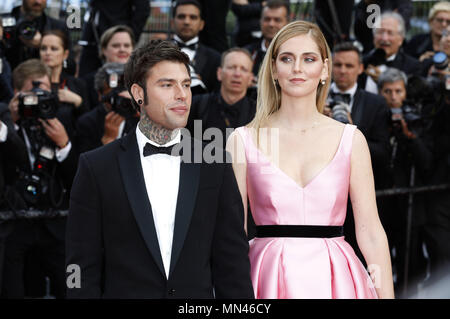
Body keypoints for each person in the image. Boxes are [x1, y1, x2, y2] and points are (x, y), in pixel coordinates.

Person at [66, 40, 254, 298]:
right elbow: (79, 266)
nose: (182, 95)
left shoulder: (215, 162)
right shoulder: (96, 167)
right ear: (138, 93)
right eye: (167, 85)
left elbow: (232, 263)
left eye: (186, 84)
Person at [227, 20, 394, 299]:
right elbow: (233, 234)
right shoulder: (242, 141)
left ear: (324, 69)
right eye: (287, 58)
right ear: (273, 69)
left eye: (309, 59)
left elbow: (371, 232)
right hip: (265, 276)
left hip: (337, 278)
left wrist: (386, 296)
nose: (297, 68)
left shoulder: (351, 140)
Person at [1, 59, 78, 298]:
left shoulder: (62, 119)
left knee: (69, 289)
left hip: (54, 222)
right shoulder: (4, 123)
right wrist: (11, 123)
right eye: (30, 94)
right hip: (14, 222)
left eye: (43, 92)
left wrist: (63, 144)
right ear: (16, 94)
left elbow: (77, 179)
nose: (37, 99)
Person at [328, 42, 391, 264]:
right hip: (324, 200)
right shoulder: (313, 100)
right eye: (338, 65)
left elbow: (384, 153)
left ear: (360, 68)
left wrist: (353, 134)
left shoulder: (376, 103)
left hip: (359, 203)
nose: (343, 70)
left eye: (349, 65)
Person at [378, 67, 433, 296]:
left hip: (409, 204)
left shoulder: (417, 119)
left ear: (405, 93)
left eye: (398, 91)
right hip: (381, 203)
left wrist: (409, 135)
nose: (393, 97)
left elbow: (426, 163)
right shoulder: (375, 118)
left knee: (409, 261)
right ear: (380, 92)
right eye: (387, 91)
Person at [187, 47, 256, 144]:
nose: (237, 74)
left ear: (250, 78)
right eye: (231, 67)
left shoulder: (258, 114)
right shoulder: (196, 105)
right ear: (219, 73)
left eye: (244, 69)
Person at [76, 62, 139, 154]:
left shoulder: (140, 117)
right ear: (100, 95)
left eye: (124, 92)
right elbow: (84, 164)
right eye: (113, 96)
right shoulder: (87, 123)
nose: (120, 99)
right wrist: (107, 140)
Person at [77, 0, 150, 77]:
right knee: (85, 81)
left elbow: (143, 9)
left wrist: (128, 35)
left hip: (116, 32)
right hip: (91, 38)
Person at [362, 11, 421, 94]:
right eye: (380, 32)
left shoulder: (413, 67)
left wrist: (383, 80)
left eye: (390, 33)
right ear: (374, 36)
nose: (384, 38)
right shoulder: (361, 62)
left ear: (400, 39)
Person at [171, 0, 221, 95]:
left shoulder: (215, 58)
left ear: (201, 24)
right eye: (181, 17)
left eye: (193, 17)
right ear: (172, 22)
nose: (186, 22)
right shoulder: (155, 54)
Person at [3, 0, 70, 71]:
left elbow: (70, 66)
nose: (38, 2)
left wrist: (43, 46)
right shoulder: (3, 22)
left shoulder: (58, 27)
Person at [81, 25, 136, 111]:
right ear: (103, 50)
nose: (122, 49)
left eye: (127, 45)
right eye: (116, 46)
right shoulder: (88, 82)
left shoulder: (142, 79)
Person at [39, 30, 90, 116]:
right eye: (43, 48)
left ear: (65, 54)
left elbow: (87, 121)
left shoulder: (78, 84)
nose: (47, 53)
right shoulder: (31, 81)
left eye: (54, 49)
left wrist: (78, 101)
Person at [245, 0, 290, 77]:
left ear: (287, 23)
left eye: (277, 20)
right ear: (260, 21)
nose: (271, 24)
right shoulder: (247, 54)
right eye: (267, 19)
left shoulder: (297, 54)